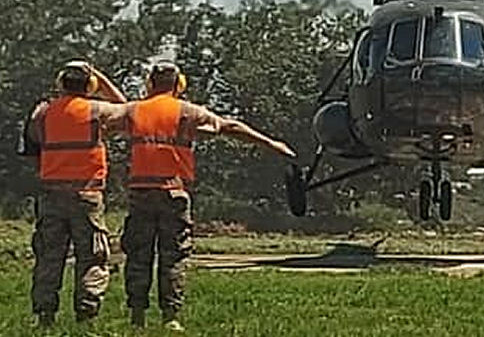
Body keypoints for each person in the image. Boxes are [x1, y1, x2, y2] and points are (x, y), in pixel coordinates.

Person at [122, 61, 296, 331]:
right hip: (174, 193)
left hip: (140, 193)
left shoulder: (133, 111)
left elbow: (104, 116)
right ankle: (171, 317)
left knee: (138, 254)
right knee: (174, 256)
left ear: (149, 83)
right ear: (179, 84)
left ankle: (137, 318)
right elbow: (230, 126)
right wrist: (271, 143)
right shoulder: (188, 111)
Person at [26, 61, 128, 327]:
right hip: (87, 195)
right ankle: (87, 316)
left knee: (49, 256)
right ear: (89, 86)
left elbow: (32, 148)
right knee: (93, 256)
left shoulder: (42, 112)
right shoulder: (97, 110)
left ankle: (43, 316)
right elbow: (128, 111)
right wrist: (101, 78)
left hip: (51, 195)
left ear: (60, 84)